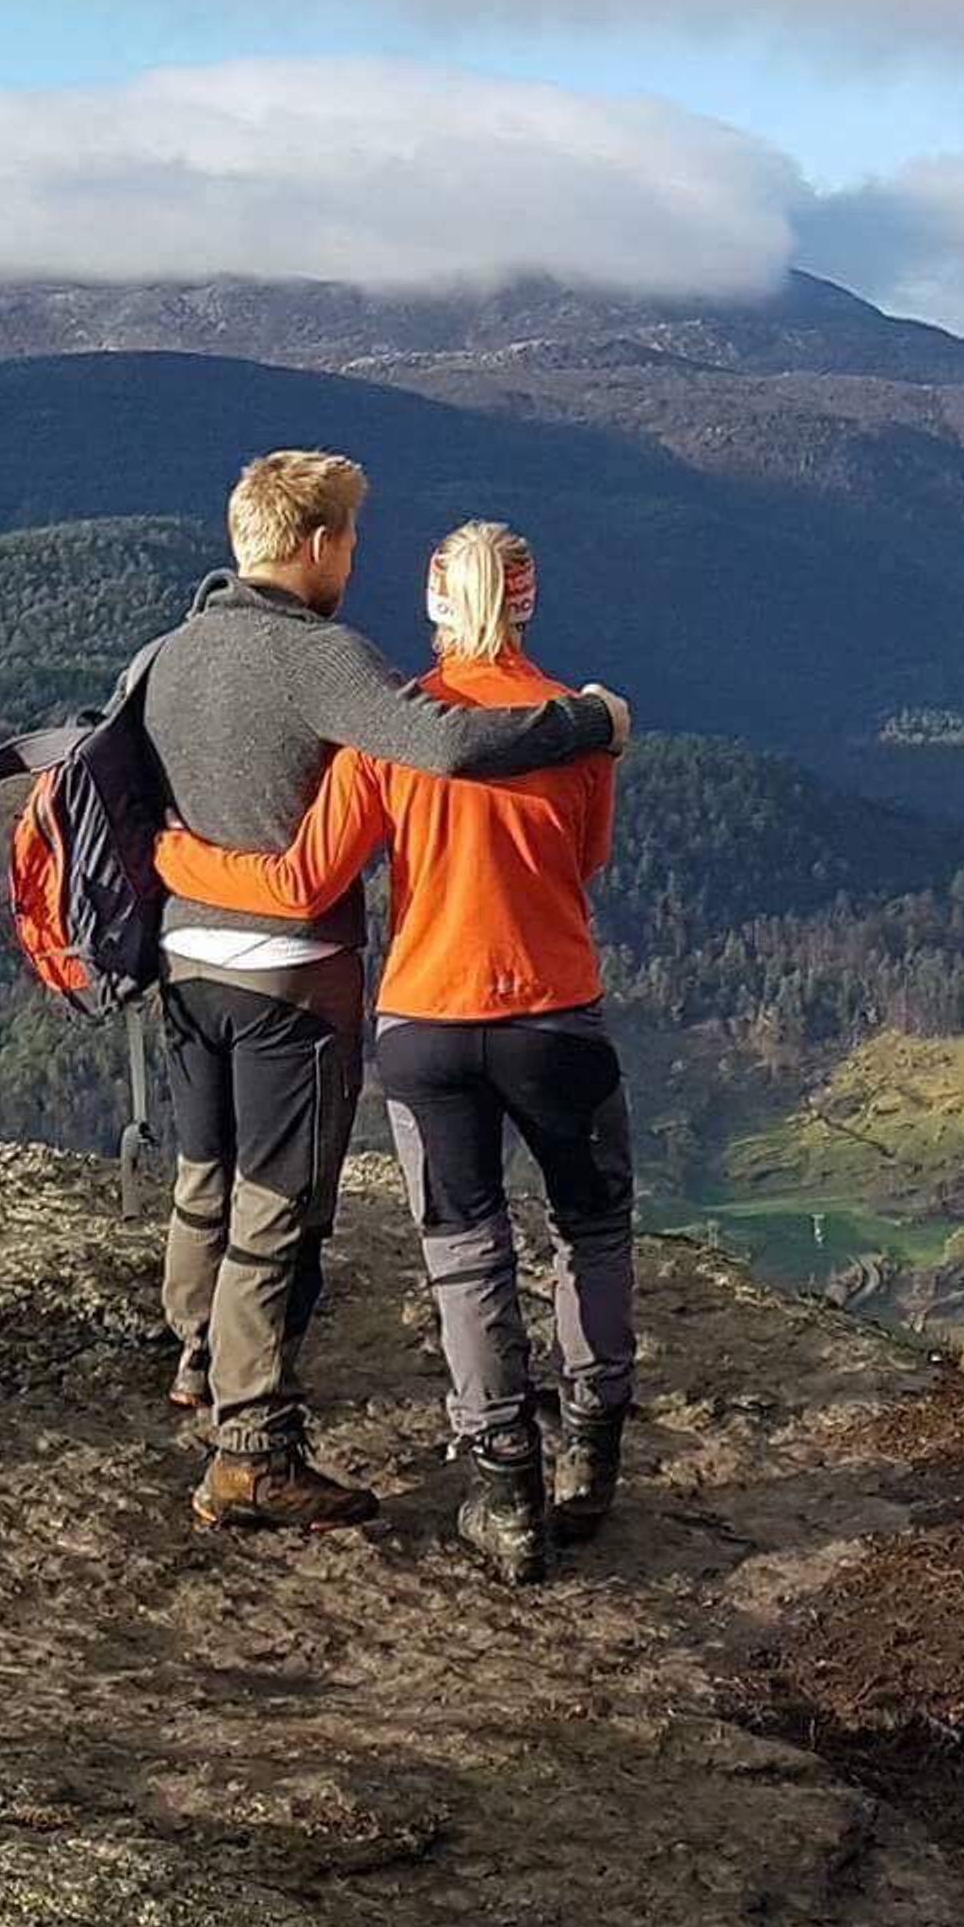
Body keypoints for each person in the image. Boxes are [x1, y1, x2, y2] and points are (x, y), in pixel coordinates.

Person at [139, 454, 632, 1538]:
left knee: (437, 1244)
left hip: (332, 1001)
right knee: (575, 1230)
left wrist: (172, 861)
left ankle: (495, 1485)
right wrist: (588, 723)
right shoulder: (531, 720)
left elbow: (298, 860)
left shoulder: (209, 672)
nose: (352, 560)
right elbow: (535, 821)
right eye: (348, 541)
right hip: (487, 1002)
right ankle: (580, 1459)